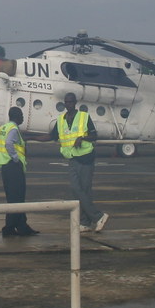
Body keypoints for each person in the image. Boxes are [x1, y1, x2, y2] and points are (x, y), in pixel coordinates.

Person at [47, 92, 109, 233]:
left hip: (86, 157)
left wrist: (82, 138)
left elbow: (94, 135)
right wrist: (29, 137)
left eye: (71, 102)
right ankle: (96, 217)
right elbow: (51, 136)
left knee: (85, 190)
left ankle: (88, 221)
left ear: (75, 103)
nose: (68, 104)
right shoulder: (61, 120)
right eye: (66, 102)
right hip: (72, 157)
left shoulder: (84, 116)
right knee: (76, 189)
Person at [0, 106, 38, 237]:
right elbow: (9, 143)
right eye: (21, 115)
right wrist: (15, 158)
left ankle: (22, 226)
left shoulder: (3, 128)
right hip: (14, 166)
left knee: (13, 197)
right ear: (16, 116)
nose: (23, 117)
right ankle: (9, 228)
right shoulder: (13, 129)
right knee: (17, 197)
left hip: (5, 167)